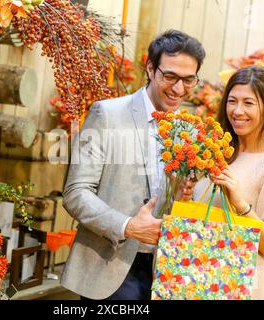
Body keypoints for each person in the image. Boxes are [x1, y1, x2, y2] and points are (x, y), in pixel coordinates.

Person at [60, 30, 206, 300]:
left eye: (188, 80)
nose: (178, 89)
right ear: (150, 68)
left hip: (167, 270)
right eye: (170, 76)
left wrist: (183, 194)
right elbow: (75, 192)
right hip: (111, 267)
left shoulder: (189, 129)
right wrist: (127, 226)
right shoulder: (107, 114)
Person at [190, 66, 264, 300]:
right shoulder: (217, 152)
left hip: (242, 291)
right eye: (232, 101)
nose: (237, 111)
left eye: (249, 103)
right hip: (198, 282)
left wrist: (240, 203)